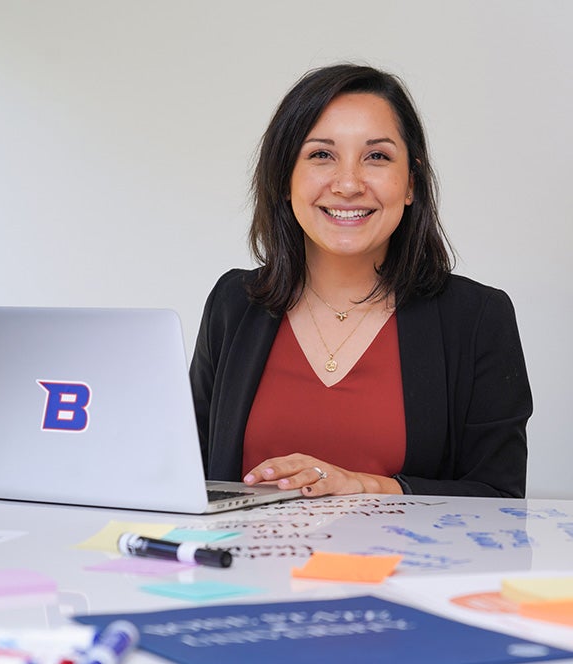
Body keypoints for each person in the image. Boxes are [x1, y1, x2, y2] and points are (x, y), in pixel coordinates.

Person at [189, 63, 532, 498]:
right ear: (283, 179)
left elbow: (500, 499)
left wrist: (364, 486)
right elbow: (187, 478)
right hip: (241, 564)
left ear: (411, 182)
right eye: (321, 155)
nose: (348, 184)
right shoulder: (233, 304)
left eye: (377, 156)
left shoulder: (478, 317)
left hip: (402, 567)